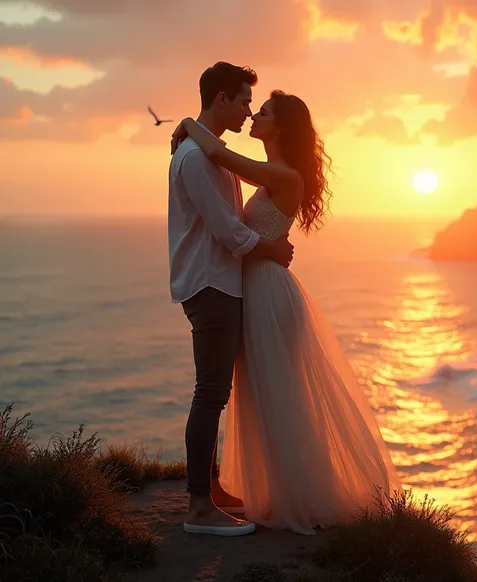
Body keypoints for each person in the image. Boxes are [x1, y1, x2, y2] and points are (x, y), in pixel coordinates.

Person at [170, 87, 403, 536]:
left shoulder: (284, 176)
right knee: (267, 396)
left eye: (265, 111)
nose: (254, 114)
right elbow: (222, 161)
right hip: (256, 289)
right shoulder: (272, 174)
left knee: (283, 395)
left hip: (269, 294)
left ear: (282, 126)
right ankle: (277, 491)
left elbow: (219, 153)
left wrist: (186, 124)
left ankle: (304, 495)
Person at [168, 61, 294, 536]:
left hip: (220, 282)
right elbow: (227, 231)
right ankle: (199, 508)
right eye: (243, 100)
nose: (246, 110)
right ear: (221, 99)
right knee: (211, 393)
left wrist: (184, 124)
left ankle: (211, 489)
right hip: (211, 282)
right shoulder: (197, 158)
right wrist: (272, 249)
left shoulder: (206, 152)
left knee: (215, 392)